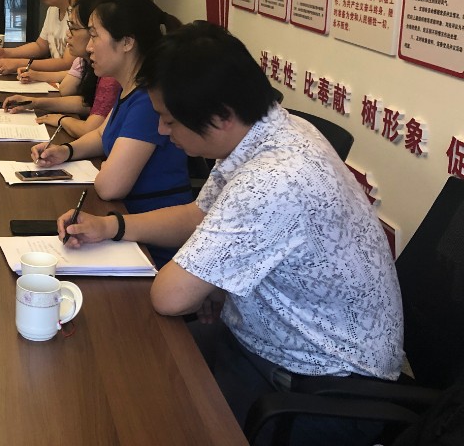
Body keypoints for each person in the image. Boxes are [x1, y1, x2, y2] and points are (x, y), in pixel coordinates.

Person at [57, 22, 404, 444]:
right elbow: (198, 215)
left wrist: (205, 281)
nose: (162, 131)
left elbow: (171, 296)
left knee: (133, 403)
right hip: (263, 342)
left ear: (221, 116)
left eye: (169, 120)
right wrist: (112, 227)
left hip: (317, 383)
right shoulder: (262, 132)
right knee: (123, 372)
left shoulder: (275, 176)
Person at [33, 0, 190, 265]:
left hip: (150, 246)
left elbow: (109, 187)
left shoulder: (147, 101)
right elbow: (101, 134)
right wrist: (65, 151)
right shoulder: (129, 87)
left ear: (127, 42)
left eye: (95, 36)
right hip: (124, 228)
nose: (89, 47)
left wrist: (107, 168)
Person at [2, 0, 120, 138]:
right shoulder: (92, 64)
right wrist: (33, 102)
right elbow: (88, 103)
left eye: (74, 27)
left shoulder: (110, 75)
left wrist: (60, 119)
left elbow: (90, 129)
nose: (67, 34)